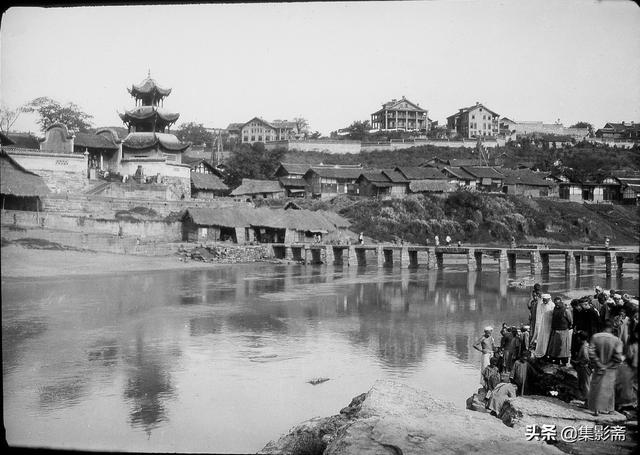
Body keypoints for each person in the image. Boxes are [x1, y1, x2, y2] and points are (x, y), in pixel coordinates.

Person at [588, 319, 623, 416]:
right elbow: (618, 357)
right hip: (610, 368)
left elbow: (591, 352)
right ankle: (610, 409)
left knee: (596, 387)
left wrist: (599, 364)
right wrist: (607, 366)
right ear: (612, 328)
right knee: (609, 388)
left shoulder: (595, 337)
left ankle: (596, 409)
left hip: (598, 367)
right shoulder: (617, 341)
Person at [571, 330, 592, 402]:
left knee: (585, 386)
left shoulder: (584, 347)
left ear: (579, 338)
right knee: (585, 385)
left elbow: (586, 358)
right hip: (585, 367)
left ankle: (588, 402)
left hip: (583, 368)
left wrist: (577, 362)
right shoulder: (587, 345)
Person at [531, 294, 554, 359]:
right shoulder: (541, 305)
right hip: (543, 324)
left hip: (549, 324)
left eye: (546, 300)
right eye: (543, 300)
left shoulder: (552, 305)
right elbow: (539, 315)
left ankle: (549, 353)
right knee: (542, 338)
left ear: (549, 299)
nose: (544, 301)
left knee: (549, 338)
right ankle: (543, 351)